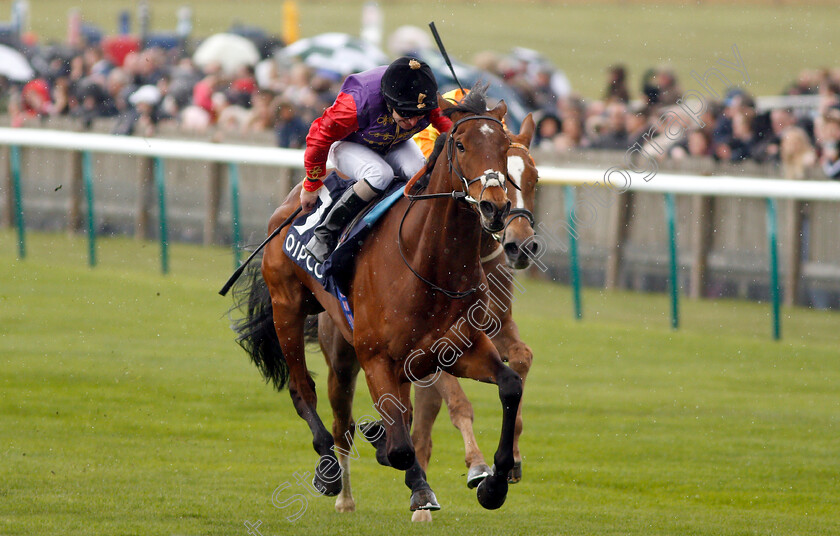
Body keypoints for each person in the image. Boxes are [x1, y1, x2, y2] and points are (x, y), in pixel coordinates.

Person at [300, 56, 452, 262]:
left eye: (420, 115)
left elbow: (450, 128)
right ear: (389, 102)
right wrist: (311, 183)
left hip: (394, 142)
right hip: (349, 144)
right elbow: (319, 136)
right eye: (406, 114)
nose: (414, 121)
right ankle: (325, 234)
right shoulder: (356, 103)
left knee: (419, 172)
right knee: (380, 174)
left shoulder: (424, 98)